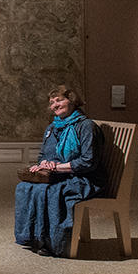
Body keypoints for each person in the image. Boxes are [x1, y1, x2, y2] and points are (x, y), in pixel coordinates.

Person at [14, 85, 104, 257]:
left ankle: (55, 243)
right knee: (25, 188)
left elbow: (88, 162)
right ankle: (34, 237)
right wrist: (42, 164)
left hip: (85, 178)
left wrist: (56, 167)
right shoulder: (52, 128)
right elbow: (44, 155)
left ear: (72, 100)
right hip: (62, 173)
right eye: (51, 102)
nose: (54, 105)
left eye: (59, 100)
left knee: (51, 191)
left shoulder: (86, 126)